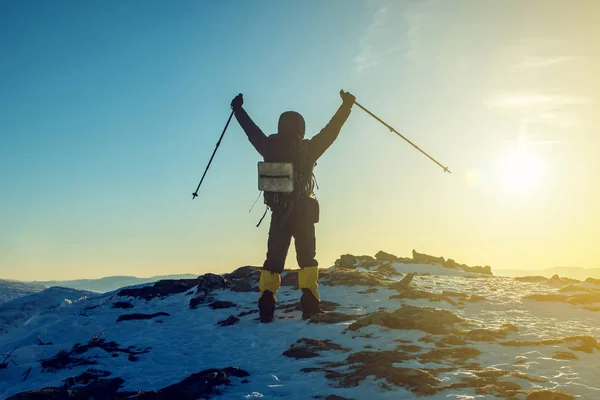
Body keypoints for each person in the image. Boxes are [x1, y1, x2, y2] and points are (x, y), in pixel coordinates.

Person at [231, 90, 355, 323]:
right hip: (303, 214)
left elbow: (251, 132)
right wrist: (346, 106)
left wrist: (238, 110)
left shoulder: (268, 146)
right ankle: (310, 305)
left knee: (273, 261)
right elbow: (332, 131)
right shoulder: (309, 148)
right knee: (307, 259)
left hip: (278, 213)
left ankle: (266, 307)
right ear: (301, 127)